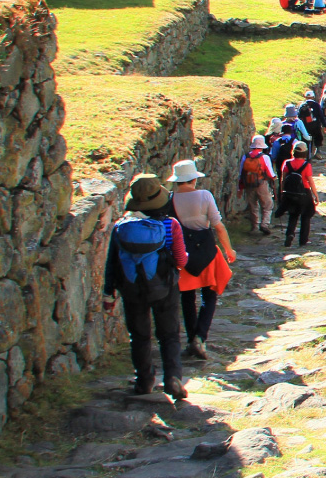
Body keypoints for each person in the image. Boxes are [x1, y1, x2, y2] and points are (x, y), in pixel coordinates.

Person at [102, 175, 189, 400]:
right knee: (169, 334)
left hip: (131, 289)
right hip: (165, 287)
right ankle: (173, 378)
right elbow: (180, 260)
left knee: (139, 335)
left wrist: (108, 293)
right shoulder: (171, 225)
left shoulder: (121, 227)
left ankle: (144, 381)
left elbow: (112, 261)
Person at [168, 159, 236, 361]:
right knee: (210, 295)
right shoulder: (204, 196)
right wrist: (228, 249)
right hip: (207, 251)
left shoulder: (170, 200)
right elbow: (218, 226)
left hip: (182, 255)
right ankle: (200, 336)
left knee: (187, 298)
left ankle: (191, 339)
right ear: (193, 179)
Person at [278, 141, 319, 247]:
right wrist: (315, 195)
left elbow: (283, 179)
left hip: (290, 192)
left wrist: (282, 192)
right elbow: (310, 181)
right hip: (304, 192)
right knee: (306, 216)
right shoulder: (306, 165)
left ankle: (290, 234)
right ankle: (303, 240)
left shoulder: (287, 163)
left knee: (293, 215)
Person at [238, 134, 275, 235]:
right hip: (261, 183)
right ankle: (265, 224)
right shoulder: (264, 157)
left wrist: (240, 188)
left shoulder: (245, 157)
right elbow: (271, 173)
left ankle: (255, 226)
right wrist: (273, 179)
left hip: (248, 184)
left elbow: (241, 173)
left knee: (253, 205)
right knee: (267, 204)